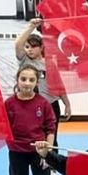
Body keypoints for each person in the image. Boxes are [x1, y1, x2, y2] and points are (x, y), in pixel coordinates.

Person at [5, 65, 56, 175]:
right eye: (23, 79)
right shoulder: (9, 103)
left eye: (31, 80)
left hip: (39, 151)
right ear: (17, 80)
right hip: (16, 151)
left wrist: (48, 153)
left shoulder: (43, 103)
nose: (27, 83)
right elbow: (2, 127)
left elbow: (50, 128)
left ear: (36, 83)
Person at [14, 18, 71, 157]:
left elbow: (59, 84)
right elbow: (18, 44)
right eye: (27, 47)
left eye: (33, 47)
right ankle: (36, 161)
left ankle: (52, 163)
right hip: (31, 105)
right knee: (34, 136)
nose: (29, 50)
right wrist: (31, 27)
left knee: (52, 137)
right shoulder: (24, 60)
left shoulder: (50, 63)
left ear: (41, 48)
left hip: (51, 104)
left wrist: (67, 104)